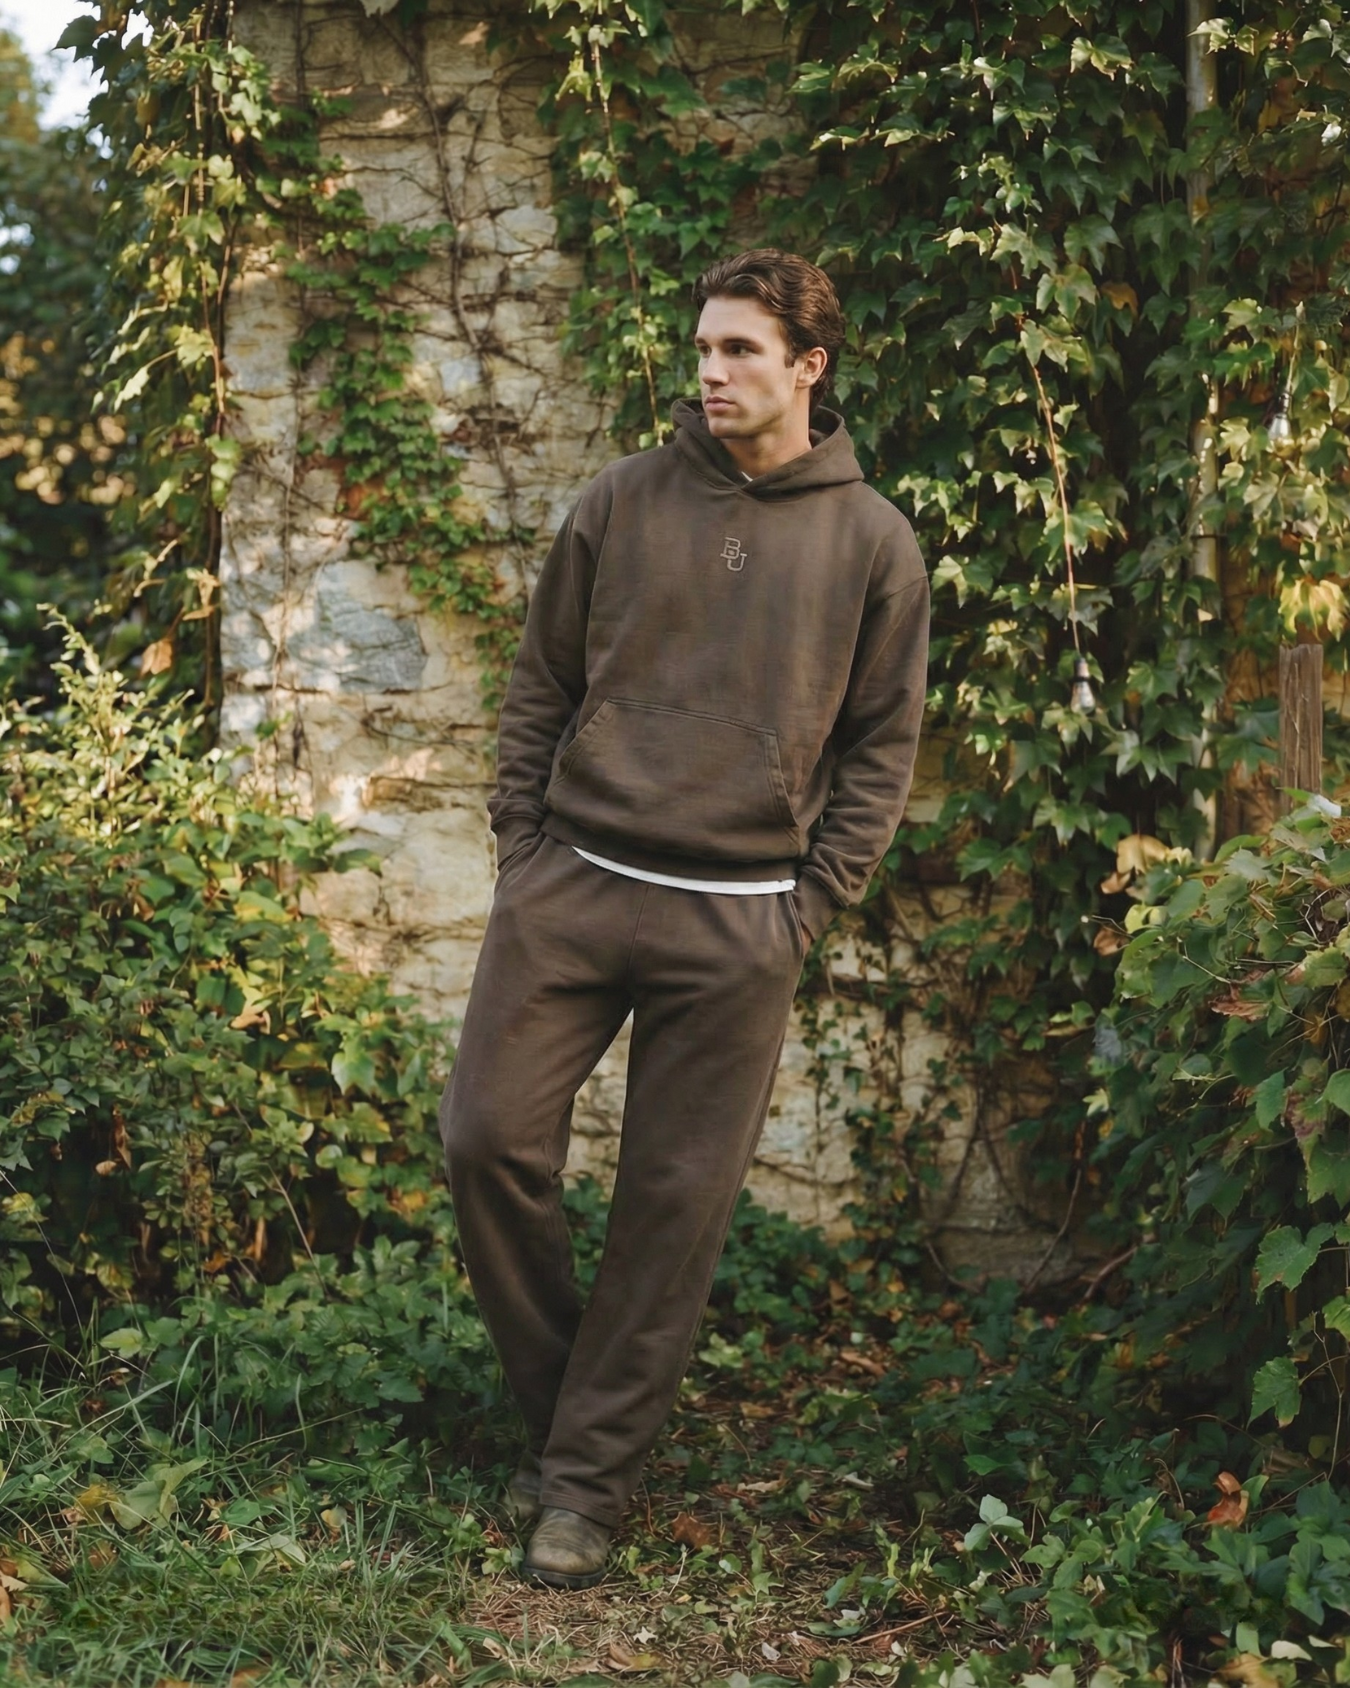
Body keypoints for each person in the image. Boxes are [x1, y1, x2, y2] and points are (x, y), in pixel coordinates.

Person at [439, 248, 929, 1590]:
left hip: (737, 923)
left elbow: (882, 752)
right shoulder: (619, 500)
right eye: (701, 350)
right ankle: (571, 1424)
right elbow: (540, 682)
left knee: (671, 1203)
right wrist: (522, 847)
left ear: (806, 368)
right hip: (573, 888)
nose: (708, 375)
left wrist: (805, 908)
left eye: (738, 354)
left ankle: (584, 1487)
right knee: (485, 1142)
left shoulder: (874, 542)